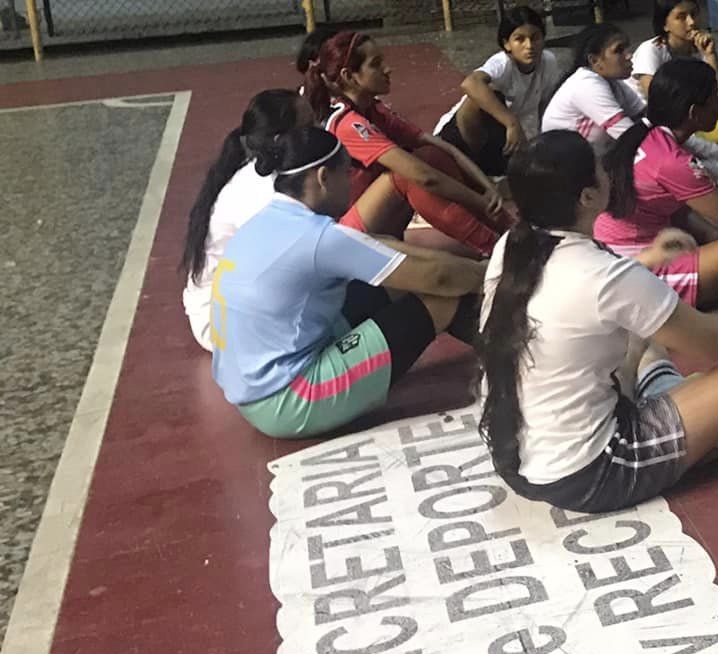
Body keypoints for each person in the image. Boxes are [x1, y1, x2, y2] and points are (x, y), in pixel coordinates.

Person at [477, 132, 718, 514]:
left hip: (518, 460)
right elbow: (715, 343)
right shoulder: (606, 276)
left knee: (642, 330)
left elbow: (583, 294)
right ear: (587, 197)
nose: (609, 171)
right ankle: (697, 432)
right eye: (600, 167)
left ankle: (687, 409)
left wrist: (650, 258)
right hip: (591, 473)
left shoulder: (513, 245)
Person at [208, 125, 484, 438]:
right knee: (442, 295)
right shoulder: (318, 239)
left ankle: (500, 342)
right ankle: (515, 350)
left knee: (396, 280)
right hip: (288, 401)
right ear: (325, 177)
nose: (352, 186)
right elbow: (439, 277)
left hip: (252, 386)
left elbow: (389, 254)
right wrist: (495, 272)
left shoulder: (267, 220)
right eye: (347, 174)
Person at [303, 30, 510, 256]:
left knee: (430, 155)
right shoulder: (346, 123)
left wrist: (488, 189)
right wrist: (482, 203)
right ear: (349, 76)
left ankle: (511, 230)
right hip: (342, 234)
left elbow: (443, 148)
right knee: (406, 175)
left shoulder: (375, 109)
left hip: (377, 219)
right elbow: (424, 177)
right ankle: (492, 247)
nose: (387, 69)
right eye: (376, 64)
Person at [179, 88, 313, 349]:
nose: (320, 130)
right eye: (309, 126)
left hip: (241, 302)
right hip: (221, 323)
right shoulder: (261, 191)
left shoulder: (274, 175)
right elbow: (297, 258)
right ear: (280, 139)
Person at [594, 59, 718, 308]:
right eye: (715, 97)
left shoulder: (644, 136)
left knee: (714, 238)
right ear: (694, 113)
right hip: (634, 268)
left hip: (609, 250)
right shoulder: (673, 162)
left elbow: (682, 210)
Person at [434, 6, 567, 176]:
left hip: (498, 134)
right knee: (488, 94)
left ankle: (488, 170)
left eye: (535, 38)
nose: (529, 46)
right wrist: (512, 123)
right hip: (462, 132)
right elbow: (470, 83)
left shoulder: (548, 62)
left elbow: (545, 106)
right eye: (520, 39)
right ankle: (476, 163)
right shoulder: (503, 62)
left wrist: (545, 143)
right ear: (507, 44)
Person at [631, 0, 718, 158]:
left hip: (690, 124)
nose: (691, 22)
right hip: (661, 131)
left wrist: (710, 56)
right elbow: (658, 103)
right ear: (665, 24)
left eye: (694, 14)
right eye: (681, 17)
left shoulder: (696, 51)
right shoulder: (651, 50)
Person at [542, 23, 646, 142]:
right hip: (560, 158)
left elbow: (643, 117)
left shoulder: (613, 82)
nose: (629, 55)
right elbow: (629, 136)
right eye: (619, 50)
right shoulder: (587, 85)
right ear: (595, 60)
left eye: (627, 48)